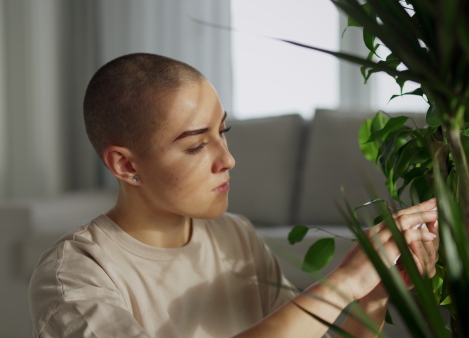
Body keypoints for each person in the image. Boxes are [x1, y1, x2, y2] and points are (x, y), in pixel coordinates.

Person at [28, 53, 439, 338]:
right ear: (127, 166)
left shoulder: (236, 236)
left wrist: (374, 293)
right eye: (195, 146)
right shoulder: (74, 276)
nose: (228, 159)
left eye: (222, 132)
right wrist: (341, 284)